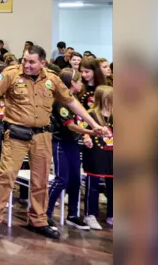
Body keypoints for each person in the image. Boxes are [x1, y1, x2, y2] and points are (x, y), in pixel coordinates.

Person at [0, 45, 111, 240]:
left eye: (32, 62)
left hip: (42, 135)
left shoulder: (52, 78)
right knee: (6, 175)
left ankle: (38, 220)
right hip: (16, 133)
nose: (27, 65)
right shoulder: (11, 74)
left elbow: (71, 102)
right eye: (25, 60)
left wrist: (94, 124)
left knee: (40, 180)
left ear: (42, 62)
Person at [47, 69, 92, 230]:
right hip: (61, 143)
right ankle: (46, 214)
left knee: (75, 180)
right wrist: (90, 132)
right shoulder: (60, 101)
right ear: (72, 83)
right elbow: (70, 125)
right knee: (61, 180)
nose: (82, 83)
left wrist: (85, 135)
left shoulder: (75, 100)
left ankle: (73, 215)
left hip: (73, 143)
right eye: (79, 80)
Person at [82, 85, 114, 230]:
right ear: (104, 99)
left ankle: (112, 214)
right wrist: (86, 137)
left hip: (112, 155)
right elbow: (84, 130)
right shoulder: (91, 114)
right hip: (95, 154)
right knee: (93, 185)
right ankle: (90, 214)